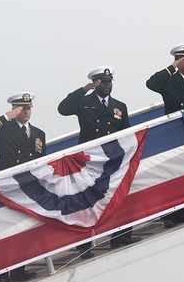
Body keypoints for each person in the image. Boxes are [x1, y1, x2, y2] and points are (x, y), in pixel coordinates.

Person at [57, 66, 137, 251]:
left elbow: (126, 134)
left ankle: (121, 237)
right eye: (102, 82)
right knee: (87, 202)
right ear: (95, 83)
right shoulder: (83, 102)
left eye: (109, 82)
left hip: (112, 160)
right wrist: (84, 89)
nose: (107, 85)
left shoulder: (119, 106)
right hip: (90, 162)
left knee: (120, 195)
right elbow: (63, 109)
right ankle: (84, 246)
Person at [145, 44, 184, 226]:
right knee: (171, 173)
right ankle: (168, 214)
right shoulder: (167, 82)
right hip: (172, 132)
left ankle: (181, 210)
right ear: (177, 62)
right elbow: (150, 83)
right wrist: (171, 68)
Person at [0, 93, 46, 282]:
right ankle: (3, 274)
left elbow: (42, 162)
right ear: (15, 110)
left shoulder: (39, 134)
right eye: (22, 108)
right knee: (7, 231)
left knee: (26, 228)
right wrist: (6, 117)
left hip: (28, 187)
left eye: (28, 108)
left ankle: (19, 270)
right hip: (6, 187)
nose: (26, 112)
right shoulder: (2, 131)